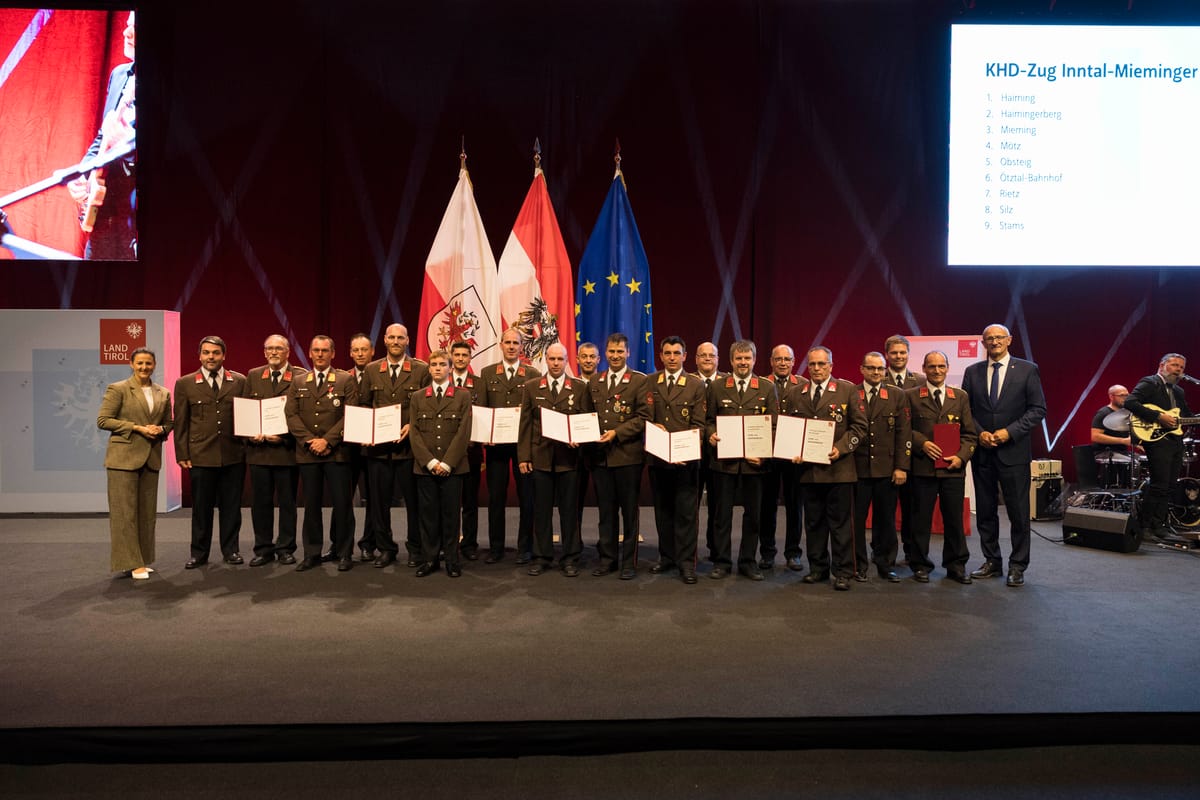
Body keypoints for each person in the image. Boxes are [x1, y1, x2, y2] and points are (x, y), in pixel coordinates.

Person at [961, 324, 1047, 587]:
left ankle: (1018, 566)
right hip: (983, 452)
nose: (994, 342)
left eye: (999, 337)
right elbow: (966, 410)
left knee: (1019, 513)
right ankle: (992, 561)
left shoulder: (1027, 369)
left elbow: (1037, 409)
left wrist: (1008, 433)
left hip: (1014, 451)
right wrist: (981, 432)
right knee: (986, 511)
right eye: (989, 338)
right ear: (983, 342)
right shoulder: (972, 371)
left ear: (1009, 340)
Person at [781, 346, 867, 591]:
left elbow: (859, 428)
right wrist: (791, 452)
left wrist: (841, 448)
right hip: (808, 471)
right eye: (812, 365)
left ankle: (843, 572)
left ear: (831, 365)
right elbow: (789, 429)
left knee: (840, 524)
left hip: (839, 469)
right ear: (807, 367)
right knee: (814, 523)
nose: (817, 369)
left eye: (822, 364)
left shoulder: (847, 390)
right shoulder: (796, 393)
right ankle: (818, 568)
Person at [358, 324, 430, 568]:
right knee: (379, 504)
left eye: (401, 337)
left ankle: (415, 548)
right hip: (378, 450)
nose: (396, 341)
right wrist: (367, 429)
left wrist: (412, 425)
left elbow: (428, 408)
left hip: (410, 449)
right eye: (392, 337)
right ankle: (386, 549)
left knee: (414, 503)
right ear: (385, 340)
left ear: (408, 340)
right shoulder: (371, 370)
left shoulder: (421, 370)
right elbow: (365, 405)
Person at [705, 340, 777, 581]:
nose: (743, 363)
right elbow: (707, 421)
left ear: (754, 360)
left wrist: (764, 455)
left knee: (754, 516)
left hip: (754, 465)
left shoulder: (766, 388)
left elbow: (774, 426)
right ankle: (722, 562)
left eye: (747, 358)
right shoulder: (716, 387)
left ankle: (748, 561)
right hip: (724, 463)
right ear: (731, 361)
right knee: (721, 515)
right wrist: (710, 435)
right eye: (739, 359)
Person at [67, 11, 137, 260]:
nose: (126, 33)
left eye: (136, 28)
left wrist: (129, 152)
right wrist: (84, 173)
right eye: (128, 25)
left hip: (136, 224)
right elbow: (102, 137)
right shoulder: (119, 75)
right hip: (103, 218)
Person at [97, 347, 171, 580]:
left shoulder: (163, 393)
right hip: (123, 459)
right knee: (124, 513)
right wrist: (136, 427)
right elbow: (103, 420)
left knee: (146, 513)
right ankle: (130, 563)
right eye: (139, 363)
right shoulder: (118, 389)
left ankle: (142, 559)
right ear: (131, 364)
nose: (143, 367)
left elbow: (169, 422)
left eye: (148, 363)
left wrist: (161, 429)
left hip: (150, 458)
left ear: (154, 365)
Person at [518, 342, 591, 576]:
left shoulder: (579, 388)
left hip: (569, 459)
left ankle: (570, 557)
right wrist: (524, 456)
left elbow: (586, 421)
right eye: (552, 359)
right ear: (545, 361)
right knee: (541, 510)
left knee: (569, 511)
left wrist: (579, 438)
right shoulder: (531, 387)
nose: (556, 363)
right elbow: (526, 425)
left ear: (567, 361)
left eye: (560, 359)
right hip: (540, 458)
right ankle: (542, 556)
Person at [286, 336, 358, 571]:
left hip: (337, 453)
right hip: (308, 454)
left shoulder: (346, 379)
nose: (320, 354)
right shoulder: (298, 381)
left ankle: (345, 552)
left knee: (342, 505)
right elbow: (291, 415)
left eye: (324, 350)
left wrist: (327, 440)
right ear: (309, 352)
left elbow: (351, 414)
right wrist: (310, 441)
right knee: (311, 505)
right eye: (316, 350)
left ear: (333, 353)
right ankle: (312, 553)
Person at [174, 336, 246, 569]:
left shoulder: (239, 381)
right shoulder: (185, 383)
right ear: (199, 356)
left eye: (215, 353)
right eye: (206, 353)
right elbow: (181, 422)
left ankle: (231, 550)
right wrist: (181, 453)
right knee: (201, 509)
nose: (211, 357)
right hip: (201, 455)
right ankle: (199, 553)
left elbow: (247, 417)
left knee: (231, 508)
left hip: (233, 454)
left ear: (224, 355)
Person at [906, 351, 977, 583]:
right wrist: (922, 443)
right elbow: (904, 429)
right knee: (920, 519)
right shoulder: (911, 396)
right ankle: (920, 564)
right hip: (922, 468)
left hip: (952, 469)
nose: (936, 371)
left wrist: (961, 457)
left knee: (954, 520)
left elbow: (969, 434)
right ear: (924, 369)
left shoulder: (960, 396)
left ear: (947, 368)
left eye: (941, 366)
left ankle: (956, 565)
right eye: (932, 366)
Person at [644, 336, 707, 584]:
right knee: (663, 511)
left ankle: (686, 562)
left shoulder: (695, 384)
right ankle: (667, 556)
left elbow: (699, 425)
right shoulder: (650, 382)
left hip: (686, 462)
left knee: (686, 514)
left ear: (684, 356)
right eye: (667, 353)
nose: (671, 357)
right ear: (660, 356)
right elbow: (644, 417)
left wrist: (683, 450)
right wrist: (652, 425)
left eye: (676, 353)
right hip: (659, 460)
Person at [587, 333, 649, 579]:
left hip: (627, 457)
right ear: (606, 353)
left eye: (620, 351)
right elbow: (587, 415)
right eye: (611, 351)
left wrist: (617, 432)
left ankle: (628, 562)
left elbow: (643, 417)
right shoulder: (596, 381)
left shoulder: (638, 381)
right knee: (606, 511)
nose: (615, 356)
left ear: (628, 353)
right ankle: (608, 559)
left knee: (629, 513)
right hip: (601, 458)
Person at [409, 350, 473, 578]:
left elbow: (463, 432)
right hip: (426, 467)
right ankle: (430, 559)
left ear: (450, 368)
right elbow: (414, 433)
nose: (437, 368)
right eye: (433, 364)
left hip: (453, 468)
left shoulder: (463, 396)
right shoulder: (418, 397)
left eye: (442, 364)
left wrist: (446, 463)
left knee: (450, 515)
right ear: (428, 368)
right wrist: (431, 462)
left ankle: (452, 560)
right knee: (428, 515)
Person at [242, 334, 303, 567]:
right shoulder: (254, 375)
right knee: (261, 504)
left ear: (288, 352)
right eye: (270, 348)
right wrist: (251, 432)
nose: (274, 352)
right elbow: (247, 410)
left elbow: (302, 414)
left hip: (286, 451)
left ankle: (286, 548)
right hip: (259, 452)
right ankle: (263, 548)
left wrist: (285, 436)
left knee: (288, 503)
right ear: (264, 352)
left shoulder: (299, 376)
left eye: (279, 348)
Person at [482, 328, 540, 563]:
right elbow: (483, 411)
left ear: (521, 346)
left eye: (516, 343)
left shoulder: (532, 374)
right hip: (495, 446)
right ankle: (496, 548)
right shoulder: (487, 374)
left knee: (527, 497)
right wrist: (485, 434)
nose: (512, 346)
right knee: (496, 498)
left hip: (523, 446)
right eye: (508, 342)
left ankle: (525, 547)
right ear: (501, 345)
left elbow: (535, 414)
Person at [851, 351, 911, 582]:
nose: (876, 372)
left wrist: (901, 467)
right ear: (862, 369)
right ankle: (858, 565)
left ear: (885, 370)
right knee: (856, 520)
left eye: (880, 368)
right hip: (858, 469)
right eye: (871, 368)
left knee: (886, 520)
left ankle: (886, 564)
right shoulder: (852, 394)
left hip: (887, 469)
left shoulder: (896, 395)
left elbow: (903, 433)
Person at [1124, 354, 1194, 539]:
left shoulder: (1178, 391)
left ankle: (1159, 525)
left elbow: (1186, 415)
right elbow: (1129, 402)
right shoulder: (1150, 382)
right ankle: (1145, 526)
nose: (1178, 369)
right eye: (1174, 365)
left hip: (1175, 442)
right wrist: (1158, 417)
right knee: (1159, 484)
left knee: (1170, 485)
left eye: (1181, 366)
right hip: (1156, 439)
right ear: (1162, 365)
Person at [759, 344, 803, 571]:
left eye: (787, 359)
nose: (783, 363)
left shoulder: (803, 385)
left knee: (795, 505)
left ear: (794, 361)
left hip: (795, 456)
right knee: (767, 505)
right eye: (779, 359)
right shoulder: (761, 384)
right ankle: (767, 553)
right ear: (771, 362)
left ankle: (793, 552)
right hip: (768, 454)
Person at [884, 334, 922, 567]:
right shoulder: (876, 376)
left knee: (912, 509)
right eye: (894, 353)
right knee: (885, 510)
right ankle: (884, 553)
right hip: (884, 456)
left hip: (914, 456)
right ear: (887, 355)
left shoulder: (921, 380)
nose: (898, 356)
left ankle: (911, 552)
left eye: (902, 352)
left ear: (908, 354)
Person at [449, 340, 484, 560]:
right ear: (451, 356)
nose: (461, 358)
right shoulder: (440, 379)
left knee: (470, 501)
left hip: (472, 452)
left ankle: (470, 544)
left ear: (470, 358)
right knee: (450, 501)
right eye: (457, 354)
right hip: (446, 452)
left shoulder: (480, 384)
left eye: (465, 355)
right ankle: (449, 542)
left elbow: (487, 414)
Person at [346, 333, 378, 561]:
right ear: (350, 353)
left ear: (372, 351)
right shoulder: (341, 378)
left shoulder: (381, 375)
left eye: (364, 349)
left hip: (373, 447)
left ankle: (368, 544)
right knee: (343, 499)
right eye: (356, 350)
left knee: (374, 499)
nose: (360, 354)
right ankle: (341, 544)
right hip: (347, 448)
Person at [692, 341, 725, 564]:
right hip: (691, 451)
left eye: (711, 355)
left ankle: (716, 549)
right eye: (702, 355)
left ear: (718, 359)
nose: (707, 359)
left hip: (718, 451)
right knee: (688, 505)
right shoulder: (687, 381)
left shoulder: (727, 382)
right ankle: (687, 551)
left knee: (718, 505)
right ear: (695, 359)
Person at [574, 341, 601, 544]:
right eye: (584, 356)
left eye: (592, 357)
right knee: (574, 503)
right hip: (575, 453)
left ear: (599, 360)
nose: (588, 360)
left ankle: (606, 544)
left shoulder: (607, 384)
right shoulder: (570, 385)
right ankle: (575, 544)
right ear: (577, 359)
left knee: (606, 502)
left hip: (602, 451)